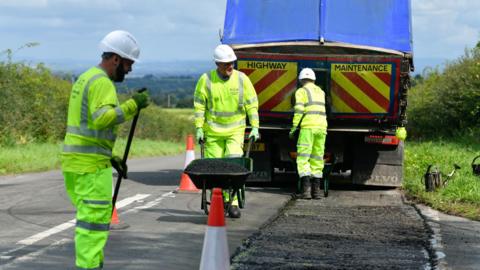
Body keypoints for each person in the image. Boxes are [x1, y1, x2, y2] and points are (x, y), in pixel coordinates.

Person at [61, 30, 150, 269]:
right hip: (90, 168)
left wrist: (110, 157)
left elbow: (87, 127)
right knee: (94, 224)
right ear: (116, 59)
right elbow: (101, 119)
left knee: (91, 221)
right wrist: (133, 105)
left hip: (78, 163)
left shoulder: (86, 77)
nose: (130, 70)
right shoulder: (102, 83)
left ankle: (93, 264)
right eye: (129, 63)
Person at [194, 44, 260, 218]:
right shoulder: (206, 80)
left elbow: (251, 104)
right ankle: (220, 200)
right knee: (215, 170)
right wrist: (199, 128)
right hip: (213, 132)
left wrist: (255, 126)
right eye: (225, 64)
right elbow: (200, 105)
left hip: (235, 131)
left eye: (232, 63)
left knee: (232, 166)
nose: (230, 66)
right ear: (217, 64)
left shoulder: (242, 79)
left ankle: (233, 203)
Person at [289, 68, 327, 199]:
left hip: (308, 127)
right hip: (322, 128)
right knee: (317, 157)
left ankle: (305, 191)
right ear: (314, 79)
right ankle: (316, 191)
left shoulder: (301, 91)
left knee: (303, 157)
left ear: (300, 80)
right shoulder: (321, 91)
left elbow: (299, 110)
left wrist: (294, 127)